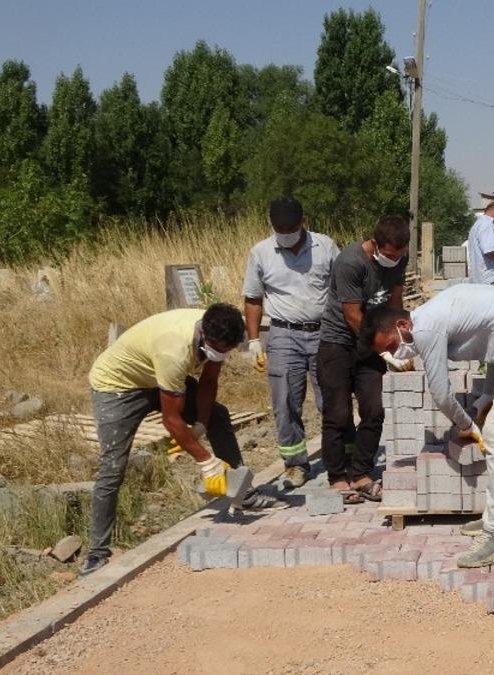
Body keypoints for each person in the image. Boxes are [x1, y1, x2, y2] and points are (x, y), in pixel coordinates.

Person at [361, 284, 494, 568]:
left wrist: (467, 424)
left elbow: (442, 395)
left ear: (402, 324)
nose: (396, 355)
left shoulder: (425, 327)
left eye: (393, 346)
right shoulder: (431, 317)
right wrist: (488, 395)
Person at [82, 303, 265, 576]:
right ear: (205, 336)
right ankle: (97, 552)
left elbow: (208, 383)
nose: (222, 355)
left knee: (218, 415)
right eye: (219, 350)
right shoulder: (174, 350)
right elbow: (172, 420)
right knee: (112, 466)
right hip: (117, 387)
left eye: (226, 351)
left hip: (154, 376)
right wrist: (206, 462)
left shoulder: (217, 330)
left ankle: (242, 492)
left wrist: (201, 424)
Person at [243, 197, 340, 489]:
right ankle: (295, 464)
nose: (286, 234)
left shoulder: (325, 247)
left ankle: (340, 457)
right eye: (280, 229)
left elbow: (343, 288)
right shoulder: (260, 252)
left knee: (332, 399)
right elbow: (252, 297)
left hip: (325, 332)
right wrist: (253, 340)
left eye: (291, 228)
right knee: (285, 402)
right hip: (283, 334)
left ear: (303, 222)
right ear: (271, 225)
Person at [317, 215, 410, 504]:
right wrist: (383, 349)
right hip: (339, 344)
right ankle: (337, 477)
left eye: (400, 255)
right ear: (376, 244)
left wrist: (400, 342)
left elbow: (395, 305)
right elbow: (352, 316)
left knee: (374, 409)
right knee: (338, 414)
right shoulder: (350, 262)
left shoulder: (399, 261)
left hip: (372, 345)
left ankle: (360, 474)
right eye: (390, 255)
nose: (394, 260)